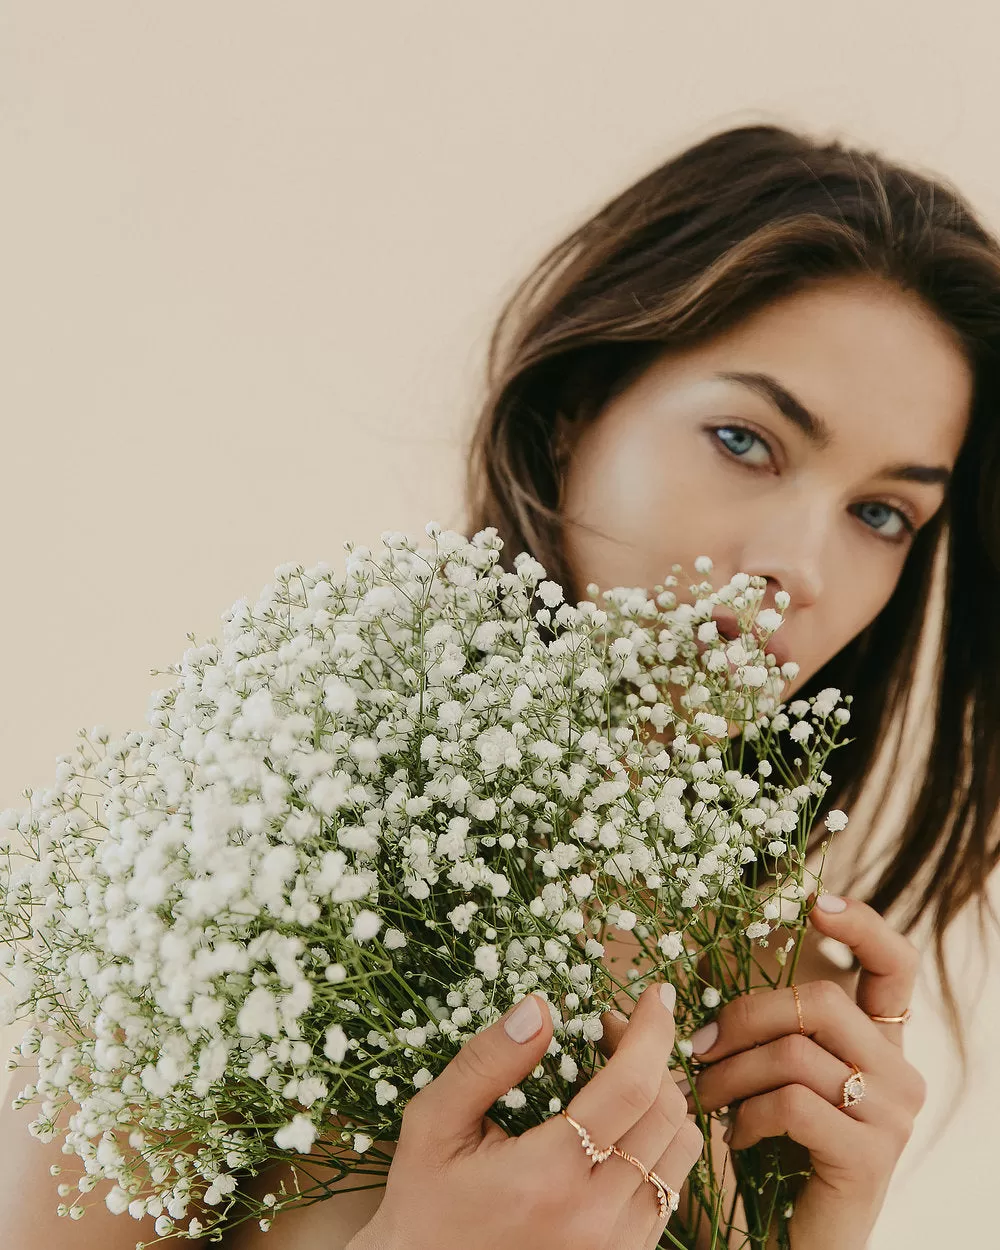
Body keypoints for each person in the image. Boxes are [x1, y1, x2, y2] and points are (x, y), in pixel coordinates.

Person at [4, 119, 999, 1249]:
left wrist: (828, 1226)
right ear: (574, 407)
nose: (800, 566)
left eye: (881, 513)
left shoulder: (783, 999)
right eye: (744, 439)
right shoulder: (244, 874)